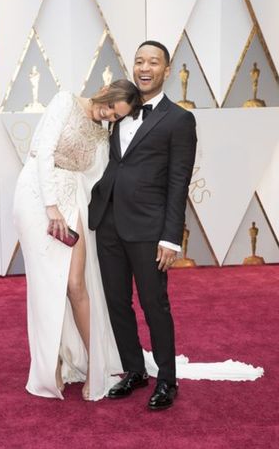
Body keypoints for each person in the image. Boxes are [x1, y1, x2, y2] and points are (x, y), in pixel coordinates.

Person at [13, 79, 142, 401]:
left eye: (116, 116)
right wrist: (51, 206)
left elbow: (94, 178)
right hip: (36, 197)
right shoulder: (65, 101)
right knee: (46, 284)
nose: (109, 115)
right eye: (111, 106)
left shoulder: (103, 133)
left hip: (72, 203)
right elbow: (43, 152)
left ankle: (95, 364)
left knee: (75, 283)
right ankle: (51, 363)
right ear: (107, 91)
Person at [89, 41, 197, 410]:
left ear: (167, 70)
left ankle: (167, 380)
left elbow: (178, 182)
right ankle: (134, 369)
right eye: (139, 61)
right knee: (116, 303)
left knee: (154, 304)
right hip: (108, 224)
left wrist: (171, 238)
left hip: (150, 230)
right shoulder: (119, 109)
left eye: (153, 62)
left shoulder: (180, 120)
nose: (144, 67)